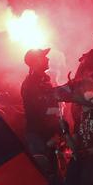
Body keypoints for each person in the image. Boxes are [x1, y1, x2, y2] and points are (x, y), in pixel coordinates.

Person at [20, 47, 62, 177]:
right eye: (43, 56)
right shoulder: (31, 83)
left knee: (53, 172)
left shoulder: (43, 80)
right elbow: (39, 110)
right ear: (36, 61)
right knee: (45, 174)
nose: (47, 58)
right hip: (38, 136)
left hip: (47, 134)